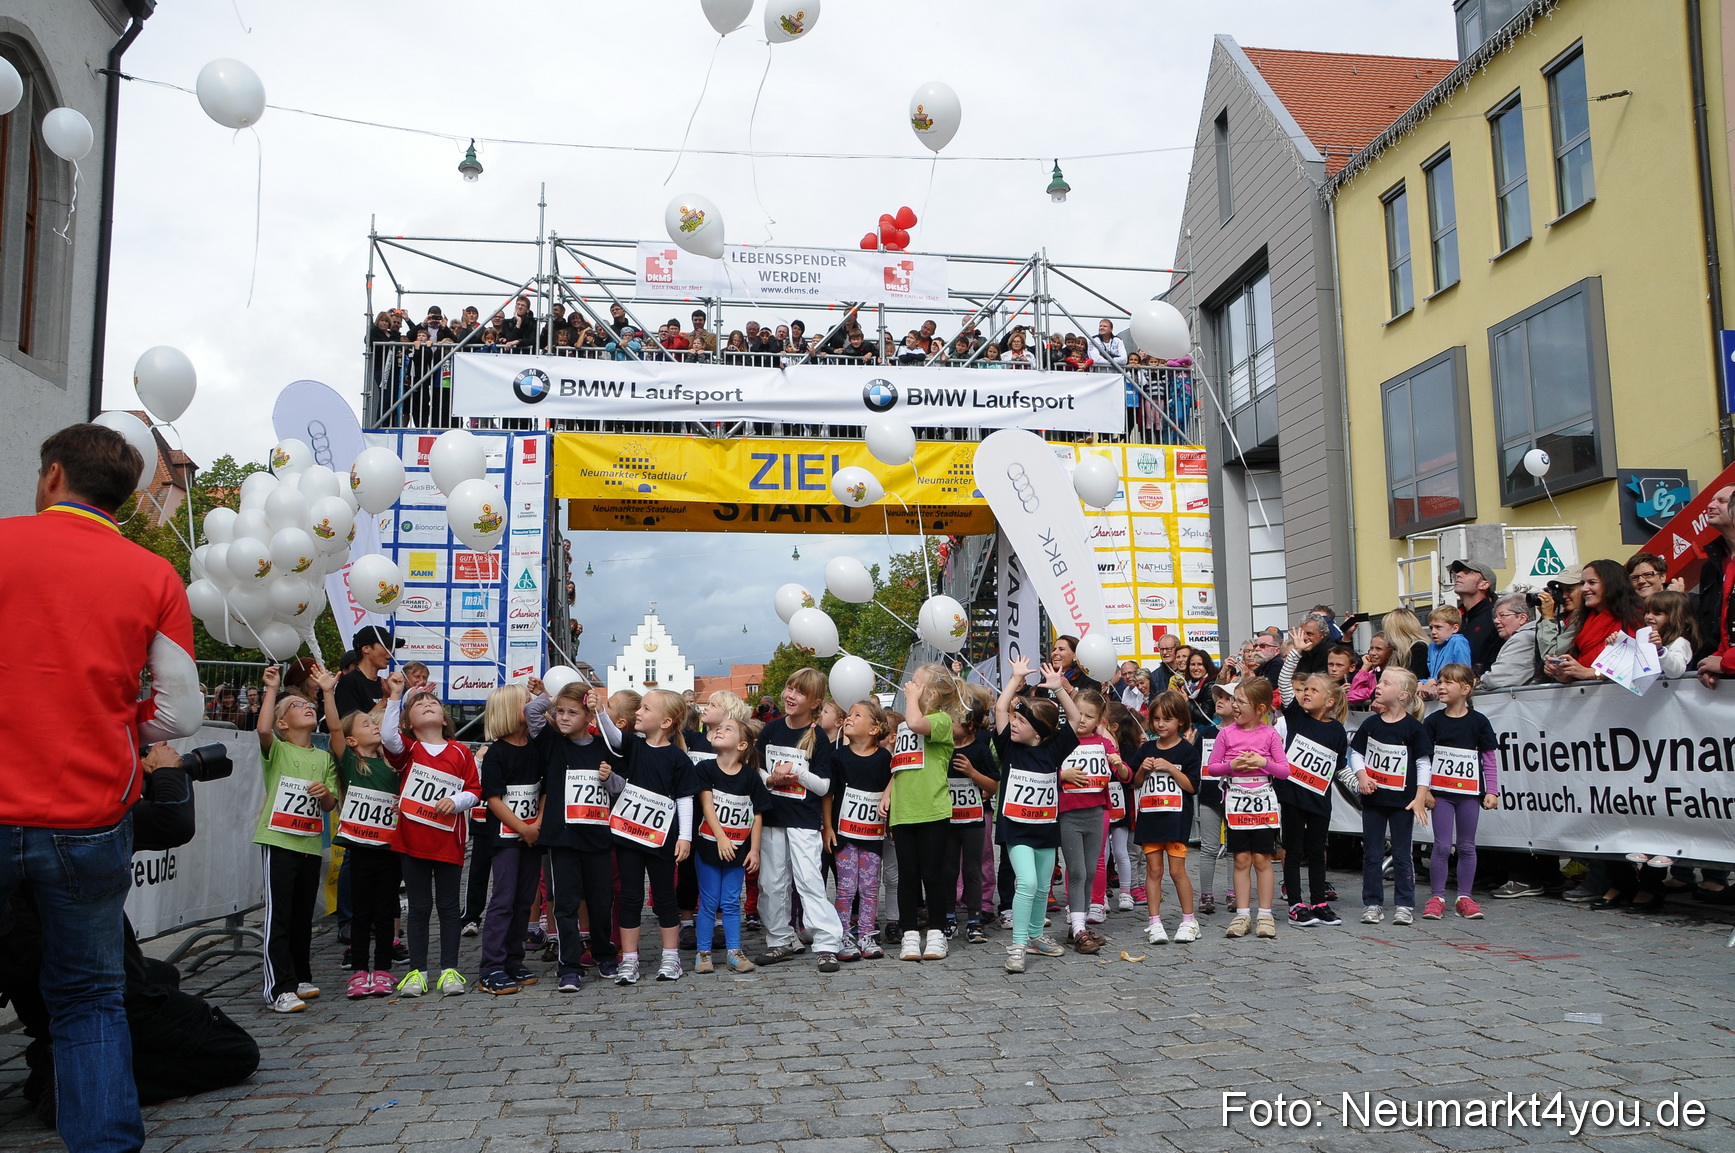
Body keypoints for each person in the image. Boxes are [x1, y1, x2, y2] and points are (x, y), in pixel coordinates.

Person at [382, 675, 481, 998]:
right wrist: (396, 695)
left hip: (448, 840)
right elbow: (388, 738)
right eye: (419, 704)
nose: (427, 705)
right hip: (412, 840)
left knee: (450, 907)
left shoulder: (461, 752)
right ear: (408, 722)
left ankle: (449, 969)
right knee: (420, 906)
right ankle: (417, 971)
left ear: (444, 717)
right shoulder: (409, 749)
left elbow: (474, 790)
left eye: (433, 703)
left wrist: (456, 801)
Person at [594, 689, 699, 984]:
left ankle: (671, 957)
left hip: (661, 839)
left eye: (646, 709)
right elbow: (613, 736)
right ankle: (629, 959)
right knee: (629, 896)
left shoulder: (678, 759)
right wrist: (600, 710)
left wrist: (686, 837)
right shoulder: (633, 746)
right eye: (639, 707)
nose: (638, 712)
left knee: (665, 897)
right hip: (629, 835)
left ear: (666, 722)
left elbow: (685, 799)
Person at [253, 664, 341, 1013]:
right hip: (279, 842)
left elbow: (332, 800)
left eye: (310, 706)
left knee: (304, 914)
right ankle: (278, 988)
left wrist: (323, 796)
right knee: (281, 914)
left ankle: (300, 975)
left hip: (308, 842)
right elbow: (261, 729)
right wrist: (273, 689)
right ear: (282, 723)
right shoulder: (276, 749)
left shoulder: (322, 757)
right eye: (296, 707)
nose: (307, 707)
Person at [526, 679, 622, 989]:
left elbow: (621, 787)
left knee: (600, 900)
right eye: (560, 712)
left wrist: (608, 780)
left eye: (572, 713)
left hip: (596, 838)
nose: (564, 718)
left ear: (588, 717)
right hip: (562, 838)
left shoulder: (601, 747)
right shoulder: (553, 743)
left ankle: (604, 952)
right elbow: (532, 711)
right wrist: (549, 697)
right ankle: (568, 964)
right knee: (564, 903)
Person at [753, 669, 846, 972]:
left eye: (800, 692)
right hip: (773, 818)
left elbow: (824, 786)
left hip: (804, 820)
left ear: (815, 701)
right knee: (772, 882)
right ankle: (779, 939)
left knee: (809, 881)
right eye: (789, 688)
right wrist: (771, 779)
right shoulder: (771, 730)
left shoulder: (818, 736)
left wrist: (797, 774)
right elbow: (757, 771)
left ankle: (827, 942)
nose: (791, 696)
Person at [993, 658, 1074, 973]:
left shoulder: (1054, 750)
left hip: (1045, 830)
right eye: (1014, 719)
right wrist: (1015, 679)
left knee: (1042, 886)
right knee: (1025, 882)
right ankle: (1018, 944)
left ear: (1039, 731)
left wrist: (1060, 687)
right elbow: (1000, 709)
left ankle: (1037, 936)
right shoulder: (1009, 749)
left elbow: (1078, 718)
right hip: (1016, 829)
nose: (1013, 723)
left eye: (1020, 721)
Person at [1343, 668, 1432, 926]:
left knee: (1403, 854)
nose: (1378, 686)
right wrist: (1361, 776)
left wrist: (1419, 797)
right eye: (1379, 682)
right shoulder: (1371, 724)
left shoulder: (1414, 729)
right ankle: (1373, 903)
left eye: (1385, 683)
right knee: (1371, 853)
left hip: (1402, 801)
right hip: (1374, 800)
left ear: (1403, 695)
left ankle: (1405, 904)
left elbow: (1423, 764)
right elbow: (1356, 754)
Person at [326, 701, 402, 1000]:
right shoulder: (349, 762)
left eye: (375, 724)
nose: (374, 726)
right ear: (351, 740)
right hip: (359, 849)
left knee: (386, 910)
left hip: (388, 849)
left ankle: (382, 969)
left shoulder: (393, 766)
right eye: (366, 725)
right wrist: (330, 694)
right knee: (361, 913)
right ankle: (359, 970)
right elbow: (333, 726)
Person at [1205, 677, 1290, 940]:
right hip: (1237, 801)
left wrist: (1262, 762)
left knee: (1262, 859)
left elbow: (1284, 770)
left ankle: (1264, 914)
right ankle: (1242, 913)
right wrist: (1233, 766)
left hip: (1262, 799)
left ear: (1260, 708)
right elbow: (1212, 766)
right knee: (1241, 859)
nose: (1236, 706)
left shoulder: (1270, 734)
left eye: (1241, 701)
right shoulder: (1226, 733)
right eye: (1235, 700)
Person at [889, 665, 963, 962]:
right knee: (907, 876)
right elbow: (899, 764)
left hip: (932, 808)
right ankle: (909, 934)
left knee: (933, 874)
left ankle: (936, 933)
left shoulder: (941, 720)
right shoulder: (905, 724)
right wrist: (887, 794)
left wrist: (910, 700)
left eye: (915, 684)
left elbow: (918, 722)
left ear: (929, 692)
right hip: (904, 809)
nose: (909, 687)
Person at [475, 686, 545, 996]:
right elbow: (493, 799)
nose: (533, 707)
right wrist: (522, 827)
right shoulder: (496, 753)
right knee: (503, 899)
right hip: (505, 839)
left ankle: (514, 959)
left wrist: (538, 824)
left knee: (524, 898)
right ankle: (491, 965)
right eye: (527, 704)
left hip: (532, 835)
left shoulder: (536, 747)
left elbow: (544, 789)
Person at [694, 716, 773, 974]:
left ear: (741, 745)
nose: (720, 730)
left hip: (738, 851)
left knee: (730, 901)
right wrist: (721, 837)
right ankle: (703, 953)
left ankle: (734, 952)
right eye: (719, 728)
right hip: (709, 847)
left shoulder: (751, 777)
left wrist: (754, 850)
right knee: (708, 900)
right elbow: (707, 806)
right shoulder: (706, 769)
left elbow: (758, 814)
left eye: (728, 729)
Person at [1421, 665, 1499, 922]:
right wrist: (1426, 791)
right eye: (1440, 682)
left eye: (1448, 683)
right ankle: (1437, 897)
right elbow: (1424, 759)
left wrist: (1492, 791)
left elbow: (1488, 759)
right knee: (1442, 845)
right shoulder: (1433, 721)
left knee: (1467, 845)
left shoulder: (1479, 722)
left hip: (1468, 794)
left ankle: (1464, 896)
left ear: (1466, 689)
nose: (1441, 687)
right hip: (1441, 794)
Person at [1053, 686, 1126, 951]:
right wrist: (1062, 775)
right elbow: (1045, 767)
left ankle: (1079, 923)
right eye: (1078, 714)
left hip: (1097, 812)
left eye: (1089, 716)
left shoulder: (1103, 742)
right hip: (1069, 814)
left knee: (1091, 870)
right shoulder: (1062, 741)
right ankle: (1078, 926)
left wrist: (1118, 765)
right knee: (1077, 871)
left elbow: (1126, 775)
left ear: (1099, 720)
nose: (1082, 720)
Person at [1275, 674, 1347, 928]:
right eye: (1305, 689)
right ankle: (1295, 904)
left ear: (1329, 701)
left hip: (1319, 800)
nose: (1306, 693)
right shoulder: (1296, 716)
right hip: (1293, 797)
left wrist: (1360, 784)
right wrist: (1295, 652)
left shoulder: (1337, 729)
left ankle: (1319, 902)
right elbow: (1284, 684)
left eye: (1313, 690)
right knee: (1293, 851)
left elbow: (1339, 766)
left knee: (1318, 852)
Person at [1133, 691, 1200, 944]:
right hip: (1150, 819)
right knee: (1154, 869)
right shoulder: (1147, 749)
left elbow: (1192, 786)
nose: (1161, 724)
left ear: (1180, 721)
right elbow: (1136, 783)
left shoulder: (1186, 751)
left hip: (1176, 821)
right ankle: (1154, 922)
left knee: (1176, 870)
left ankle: (1189, 919)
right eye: (1157, 719)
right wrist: (1142, 767)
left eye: (1167, 719)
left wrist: (1171, 768)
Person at [828, 701, 892, 962]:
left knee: (869, 886)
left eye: (857, 715)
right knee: (845, 887)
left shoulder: (883, 758)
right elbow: (829, 795)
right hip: (843, 833)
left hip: (872, 834)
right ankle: (843, 933)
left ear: (874, 728)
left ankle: (867, 932)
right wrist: (827, 827)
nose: (849, 718)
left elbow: (892, 784)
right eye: (848, 714)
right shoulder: (838, 756)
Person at [944, 689, 1000, 944]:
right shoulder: (942, 747)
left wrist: (972, 772)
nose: (948, 722)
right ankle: (948, 917)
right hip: (947, 819)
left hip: (974, 820)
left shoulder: (979, 748)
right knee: (948, 869)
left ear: (969, 726)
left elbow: (993, 785)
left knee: (973, 868)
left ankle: (975, 920)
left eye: (954, 719)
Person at [1546, 559, 1643, 682]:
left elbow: (1634, 665)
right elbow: (1581, 669)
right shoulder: (1583, 620)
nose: (1584, 589)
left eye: (1592, 582)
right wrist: (1562, 673)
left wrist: (1591, 673)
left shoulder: (1636, 618)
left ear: (1612, 584)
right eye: (1582, 583)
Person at [1697, 485, 1735, 687]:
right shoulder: (1711, 566)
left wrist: (1726, 662)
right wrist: (1711, 663)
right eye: (1712, 500)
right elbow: (1716, 625)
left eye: (1722, 501)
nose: (1711, 506)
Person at [1446, 560, 1501, 673]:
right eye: (1459, 572)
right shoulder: (1455, 618)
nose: (1458, 575)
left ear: (1484, 584)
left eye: (1468, 572)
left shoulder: (1496, 619)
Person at [1479, 595, 1543, 690]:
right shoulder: (1531, 634)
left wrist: (1480, 681)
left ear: (1522, 618)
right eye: (1495, 617)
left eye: (1503, 615)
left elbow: (1497, 679)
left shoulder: (1523, 638)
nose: (1496, 621)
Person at [336, 625, 401, 718]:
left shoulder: (384, 684)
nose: (390, 652)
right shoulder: (349, 682)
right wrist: (384, 701)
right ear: (366, 648)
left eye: (391, 647)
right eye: (386, 646)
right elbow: (350, 726)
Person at [1639, 590, 1699, 679]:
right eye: (1647, 612)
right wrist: (1617, 643)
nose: (1648, 617)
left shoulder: (1680, 642)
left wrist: (1660, 651)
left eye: (1657, 613)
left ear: (1673, 617)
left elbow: (1675, 671)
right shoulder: (1646, 641)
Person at [1422, 606, 1472, 685]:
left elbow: (1463, 674)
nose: (1433, 632)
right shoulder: (1432, 646)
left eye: (1438, 627)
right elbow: (1432, 676)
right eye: (1431, 628)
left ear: (1455, 628)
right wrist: (1421, 683)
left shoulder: (1458, 642)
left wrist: (1435, 682)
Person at [1381, 610, 1431, 680]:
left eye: (1387, 631)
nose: (1385, 636)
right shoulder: (1400, 653)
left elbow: (1412, 681)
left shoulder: (1418, 649)